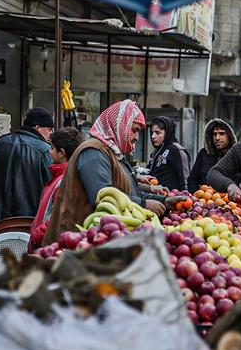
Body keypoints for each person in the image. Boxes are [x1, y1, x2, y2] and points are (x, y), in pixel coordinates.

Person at [43, 100, 183, 244]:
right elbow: (102, 197)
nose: (136, 138)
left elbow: (130, 190)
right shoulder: (93, 152)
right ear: (119, 126)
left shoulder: (113, 154)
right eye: (134, 130)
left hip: (98, 237)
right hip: (74, 240)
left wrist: (164, 201)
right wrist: (144, 204)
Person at [0, 107, 53, 235]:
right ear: (37, 127)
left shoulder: (0, 144)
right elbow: (51, 187)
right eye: (48, 129)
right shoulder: (45, 150)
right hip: (29, 222)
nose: (50, 134)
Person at [30, 127, 83, 247]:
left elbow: (59, 217)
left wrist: (36, 235)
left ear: (61, 153)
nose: (49, 151)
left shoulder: (65, 181)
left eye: (52, 148)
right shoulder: (59, 177)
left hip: (45, 246)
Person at [187, 118, 237, 193]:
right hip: (204, 201)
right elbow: (192, 179)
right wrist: (196, 196)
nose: (217, 138)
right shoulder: (203, 154)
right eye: (214, 134)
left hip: (229, 202)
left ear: (230, 136)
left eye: (222, 133)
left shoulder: (237, 157)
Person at [147, 116, 191, 191]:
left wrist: (185, 196)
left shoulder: (177, 150)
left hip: (172, 198)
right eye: (152, 133)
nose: (153, 136)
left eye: (158, 133)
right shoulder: (158, 150)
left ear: (167, 132)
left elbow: (185, 179)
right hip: (157, 197)